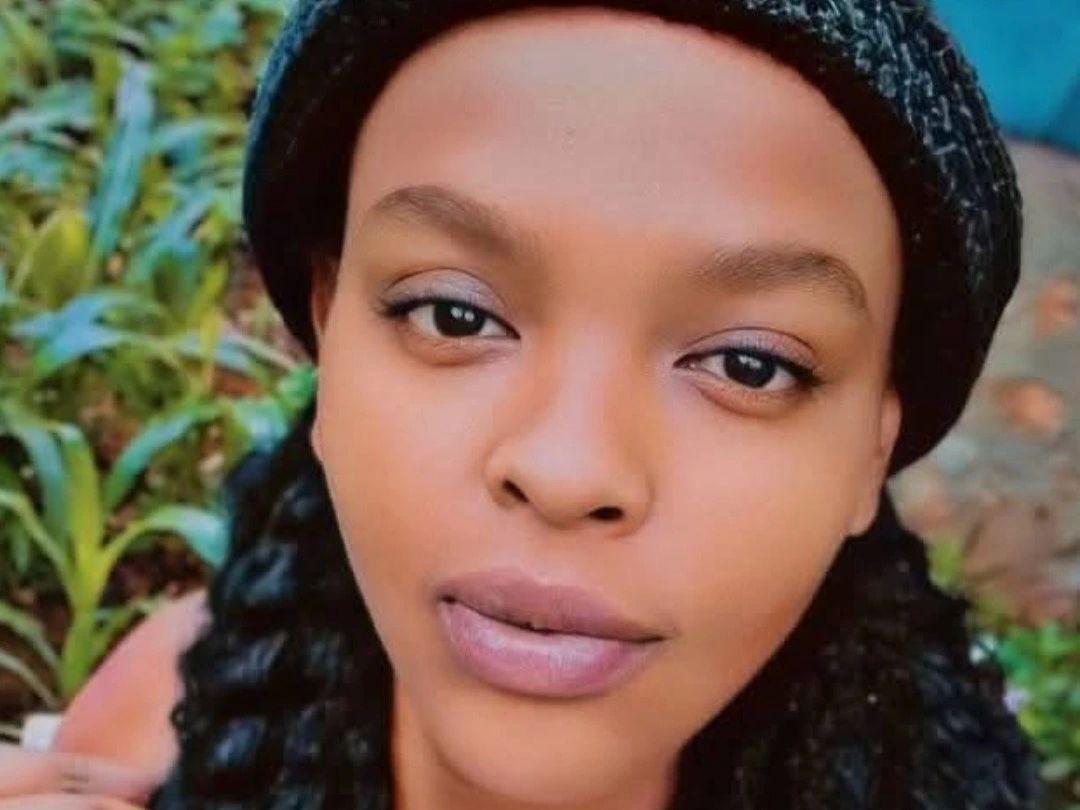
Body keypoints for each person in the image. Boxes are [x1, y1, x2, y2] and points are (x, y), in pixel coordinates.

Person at [3, 1, 1047, 808]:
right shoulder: (163, 714)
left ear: (873, 447)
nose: (566, 469)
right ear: (327, 330)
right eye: (453, 315)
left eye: (748, 365)